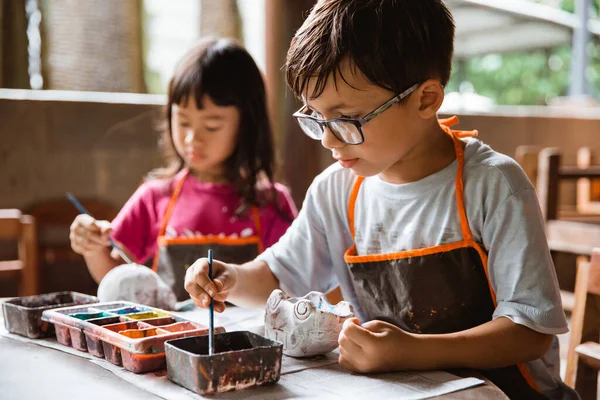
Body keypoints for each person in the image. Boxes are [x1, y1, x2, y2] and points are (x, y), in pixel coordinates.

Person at [184, 2, 578, 399]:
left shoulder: (493, 185)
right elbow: (279, 275)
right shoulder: (337, 190)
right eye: (316, 118)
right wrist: (228, 279)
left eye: (347, 119)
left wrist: (410, 351)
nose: (328, 139)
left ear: (425, 100)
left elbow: (530, 333)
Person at [70, 37, 297, 303]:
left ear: (247, 125)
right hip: (165, 340)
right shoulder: (155, 196)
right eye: (182, 122)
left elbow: (292, 282)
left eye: (211, 126)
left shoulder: (271, 203)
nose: (191, 139)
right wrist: (92, 247)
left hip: (248, 340)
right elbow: (114, 274)